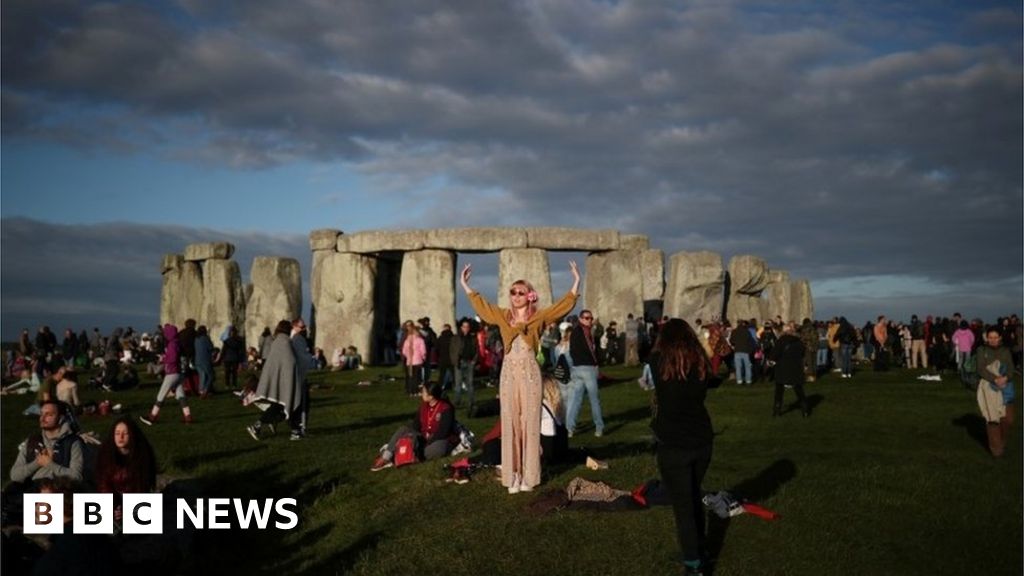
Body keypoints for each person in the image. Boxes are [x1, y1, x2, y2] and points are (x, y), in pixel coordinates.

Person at [460, 261, 580, 494]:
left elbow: (561, 307)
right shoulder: (503, 316)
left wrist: (576, 282)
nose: (515, 296)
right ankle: (512, 474)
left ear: (529, 296)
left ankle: (529, 475)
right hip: (508, 374)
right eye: (512, 292)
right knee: (510, 422)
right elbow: (483, 307)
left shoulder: (539, 318)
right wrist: (465, 284)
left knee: (529, 423)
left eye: (520, 292)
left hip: (530, 374)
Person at [649, 319, 715, 576]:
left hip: (674, 443)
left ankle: (694, 564)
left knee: (684, 506)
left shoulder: (658, 363)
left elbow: (655, 358)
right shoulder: (700, 363)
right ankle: (700, 549)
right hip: (702, 440)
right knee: (692, 496)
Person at [370, 382, 458, 471]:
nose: (421, 394)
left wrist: (428, 442)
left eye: (423, 392)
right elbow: (416, 425)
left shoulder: (446, 408)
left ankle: (403, 455)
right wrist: (413, 436)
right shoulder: (423, 407)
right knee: (403, 430)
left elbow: (443, 432)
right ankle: (386, 457)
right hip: (423, 438)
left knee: (438, 449)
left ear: (431, 396)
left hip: (437, 440)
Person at [247, 320, 301, 441]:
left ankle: (294, 430)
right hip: (283, 380)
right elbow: (290, 362)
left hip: (277, 379)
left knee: (280, 405)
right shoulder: (285, 342)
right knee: (284, 403)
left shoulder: (277, 341)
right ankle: (257, 425)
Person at [95, 417, 157, 522]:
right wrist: (113, 506)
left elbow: (142, 486)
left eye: (125, 433)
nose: (121, 437)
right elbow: (103, 484)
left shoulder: (143, 455)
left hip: (137, 502)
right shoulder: (105, 455)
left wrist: (128, 509)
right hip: (112, 500)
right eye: (117, 433)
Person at [9, 400, 84, 486]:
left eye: (49, 415)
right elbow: (14, 476)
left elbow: (77, 477)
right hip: (33, 491)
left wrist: (50, 464)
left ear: (61, 418)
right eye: (41, 414)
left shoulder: (72, 442)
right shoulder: (32, 441)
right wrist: (37, 463)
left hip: (59, 492)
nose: (42, 418)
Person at [140, 324, 192, 426]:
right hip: (178, 373)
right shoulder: (177, 343)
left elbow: (172, 359)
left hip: (172, 373)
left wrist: (163, 359)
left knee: (161, 395)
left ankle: (152, 417)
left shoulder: (172, 344)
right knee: (181, 396)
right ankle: (188, 417)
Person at [976, 327, 1015, 457]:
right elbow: (981, 369)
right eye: (990, 337)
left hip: (1005, 387)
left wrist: (1006, 378)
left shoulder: (1005, 351)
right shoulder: (982, 350)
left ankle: (1002, 442)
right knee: (993, 419)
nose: (993, 340)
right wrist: (994, 379)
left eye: (995, 337)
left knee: (1008, 419)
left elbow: (1011, 368)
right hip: (989, 387)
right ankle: (996, 450)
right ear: (986, 338)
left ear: (1000, 338)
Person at [568, 309, 606, 437]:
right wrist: (596, 364)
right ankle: (599, 427)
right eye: (586, 318)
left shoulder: (574, 332)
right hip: (587, 368)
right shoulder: (585, 332)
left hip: (577, 368)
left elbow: (572, 350)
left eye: (590, 318)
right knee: (594, 400)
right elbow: (591, 350)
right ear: (580, 319)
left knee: (576, 399)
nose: (589, 320)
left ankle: (570, 428)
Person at [770, 322, 810, 417]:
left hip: (782, 368)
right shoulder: (798, 341)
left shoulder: (780, 341)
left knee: (779, 390)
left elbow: (774, 355)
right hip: (795, 368)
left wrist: (773, 360)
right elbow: (802, 353)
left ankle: (777, 410)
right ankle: (805, 410)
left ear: (784, 331)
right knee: (798, 390)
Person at [451, 318, 479, 412]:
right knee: (458, 384)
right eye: (464, 326)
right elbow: (452, 350)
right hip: (460, 362)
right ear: (461, 327)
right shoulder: (456, 338)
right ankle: (457, 401)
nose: (466, 328)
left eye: (467, 327)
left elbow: (476, 350)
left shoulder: (472, 338)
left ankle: (471, 402)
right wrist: (455, 361)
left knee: (470, 383)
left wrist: (474, 360)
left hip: (470, 362)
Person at [401, 320, 426, 396]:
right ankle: (416, 391)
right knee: (417, 377)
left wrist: (408, 356)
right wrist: (423, 357)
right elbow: (423, 350)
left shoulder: (407, 340)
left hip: (410, 361)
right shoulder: (420, 340)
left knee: (410, 376)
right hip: (418, 361)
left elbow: (404, 351)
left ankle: (410, 391)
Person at [220, 326, 245, 390]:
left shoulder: (227, 341)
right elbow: (241, 351)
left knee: (229, 372)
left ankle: (228, 384)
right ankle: (232, 384)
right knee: (232, 373)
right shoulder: (239, 341)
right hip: (232, 358)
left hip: (230, 358)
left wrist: (221, 358)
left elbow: (223, 350)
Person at [194, 325, 215, 398]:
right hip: (205, 359)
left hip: (197, 360)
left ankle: (201, 390)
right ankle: (205, 390)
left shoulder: (196, 339)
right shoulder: (206, 338)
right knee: (211, 376)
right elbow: (211, 348)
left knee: (202, 376)